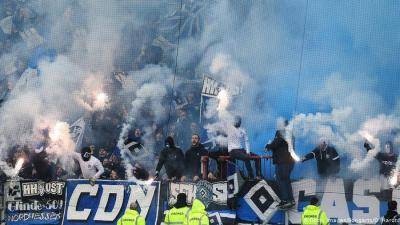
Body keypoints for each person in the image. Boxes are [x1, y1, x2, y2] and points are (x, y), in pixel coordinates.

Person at [265, 118, 295, 209]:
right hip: (289, 162)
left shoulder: (281, 132)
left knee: (281, 180)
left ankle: (285, 200)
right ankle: (290, 200)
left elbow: (275, 144)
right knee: (286, 180)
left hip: (283, 162)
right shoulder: (291, 134)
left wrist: (268, 146)